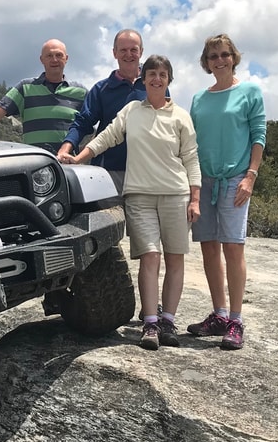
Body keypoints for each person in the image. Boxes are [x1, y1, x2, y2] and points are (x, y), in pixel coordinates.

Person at [70, 55, 201, 351]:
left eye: (162, 74)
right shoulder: (132, 110)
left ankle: (168, 321)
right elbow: (107, 137)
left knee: (175, 257)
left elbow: (191, 158)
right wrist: (79, 157)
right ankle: (151, 323)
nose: (156, 78)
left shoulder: (180, 115)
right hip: (139, 195)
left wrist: (195, 198)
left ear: (169, 79)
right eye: (151, 73)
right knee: (150, 256)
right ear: (143, 78)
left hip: (176, 194)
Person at [185, 34, 266, 350]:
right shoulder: (199, 99)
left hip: (235, 180)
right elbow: (191, 143)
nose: (219, 60)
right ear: (205, 62)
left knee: (233, 247)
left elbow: (259, 135)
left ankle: (236, 320)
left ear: (234, 57)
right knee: (208, 247)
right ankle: (218, 314)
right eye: (213, 56)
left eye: (224, 54)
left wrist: (251, 176)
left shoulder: (249, 92)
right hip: (204, 181)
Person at [55, 29, 146, 193]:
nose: (129, 54)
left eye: (134, 49)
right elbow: (82, 123)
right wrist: (65, 149)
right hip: (109, 174)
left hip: (147, 174)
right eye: (123, 50)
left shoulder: (155, 86)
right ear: (114, 53)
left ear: (141, 52)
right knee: (110, 219)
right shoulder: (100, 89)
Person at [0, 39, 86, 152]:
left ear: (66, 58)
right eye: (49, 56)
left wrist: (86, 151)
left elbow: (97, 118)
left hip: (68, 163)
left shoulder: (81, 92)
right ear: (42, 60)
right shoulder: (25, 87)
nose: (54, 59)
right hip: (35, 163)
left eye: (59, 55)